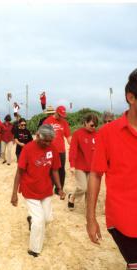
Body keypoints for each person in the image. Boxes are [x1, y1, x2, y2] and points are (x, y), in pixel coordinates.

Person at [86, 68, 137, 269]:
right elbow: (96, 175)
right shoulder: (108, 133)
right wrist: (90, 218)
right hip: (123, 219)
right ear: (131, 97)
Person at [11, 124, 66, 257]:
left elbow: (54, 170)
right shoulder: (28, 149)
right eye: (45, 140)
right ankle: (34, 249)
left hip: (46, 189)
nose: (47, 143)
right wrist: (14, 194)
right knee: (39, 220)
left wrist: (59, 188)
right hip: (29, 189)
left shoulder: (52, 148)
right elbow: (19, 172)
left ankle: (31, 220)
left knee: (47, 219)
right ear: (37, 136)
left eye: (49, 141)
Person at [68, 113, 98, 210]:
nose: (94, 127)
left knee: (90, 189)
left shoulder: (97, 134)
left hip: (92, 167)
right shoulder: (77, 134)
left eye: (95, 125)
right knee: (82, 187)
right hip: (79, 166)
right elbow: (72, 150)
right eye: (92, 125)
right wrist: (72, 165)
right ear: (85, 122)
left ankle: (88, 210)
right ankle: (72, 197)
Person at [43, 105, 71, 194]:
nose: (62, 117)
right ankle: (49, 187)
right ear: (56, 112)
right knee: (50, 169)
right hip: (49, 150)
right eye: (60, 115)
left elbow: (68, 136)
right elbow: (42, 135)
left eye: (63, 116)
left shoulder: (64, 123)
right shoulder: (47, 121)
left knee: (61, 170)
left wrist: (74, 146)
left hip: (61, 150)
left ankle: (59, 189)